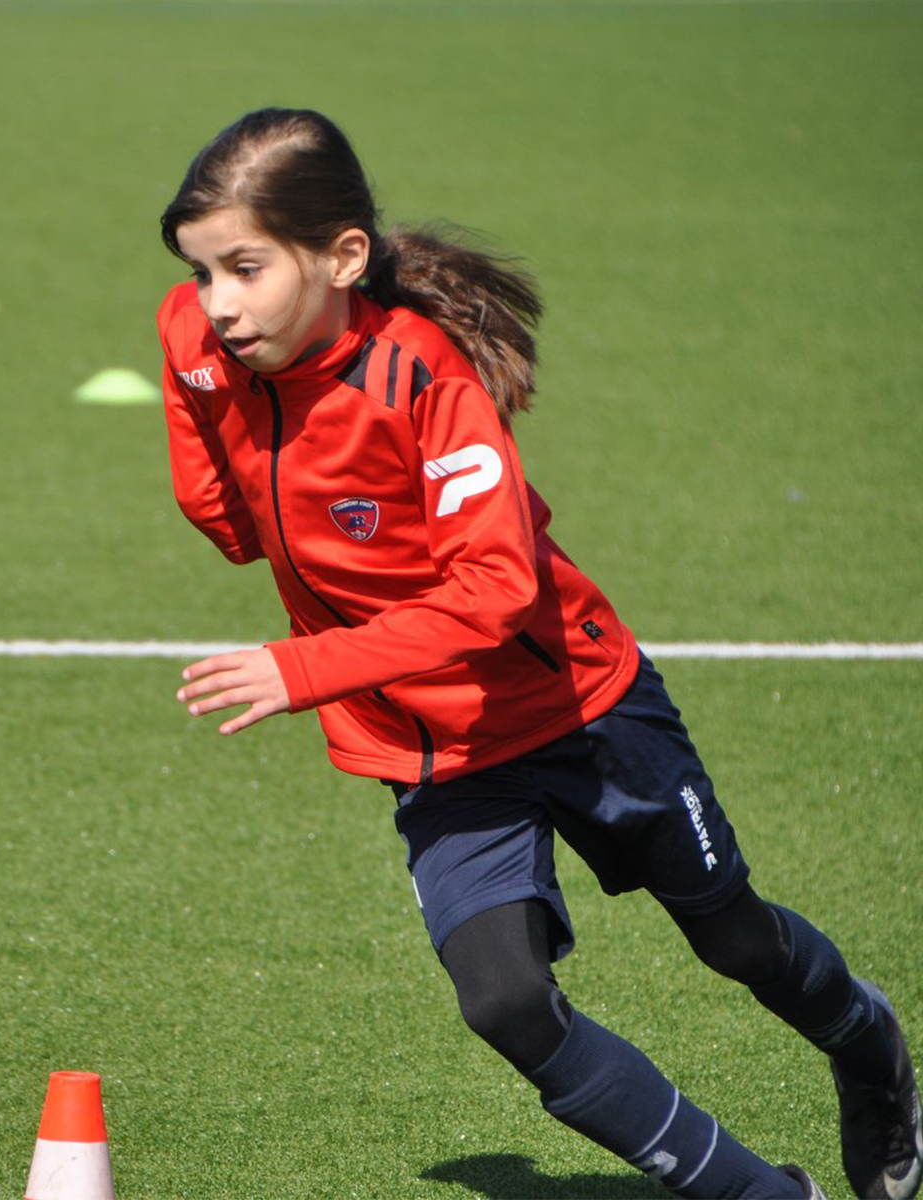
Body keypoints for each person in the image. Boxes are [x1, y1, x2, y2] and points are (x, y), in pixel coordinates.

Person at [156, 107, 920, 1200]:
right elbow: (231, 527)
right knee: (504, 1003)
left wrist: (301, 669)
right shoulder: (200, 340)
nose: (217, 303)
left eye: (242, 268)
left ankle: (865, 1042)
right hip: (436, 748)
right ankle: (758, 1194)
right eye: (199, 274)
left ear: (342, 257)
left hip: (580, 707)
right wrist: (200, 404)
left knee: (736, 944)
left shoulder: (422, 382)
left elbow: (493, 592)